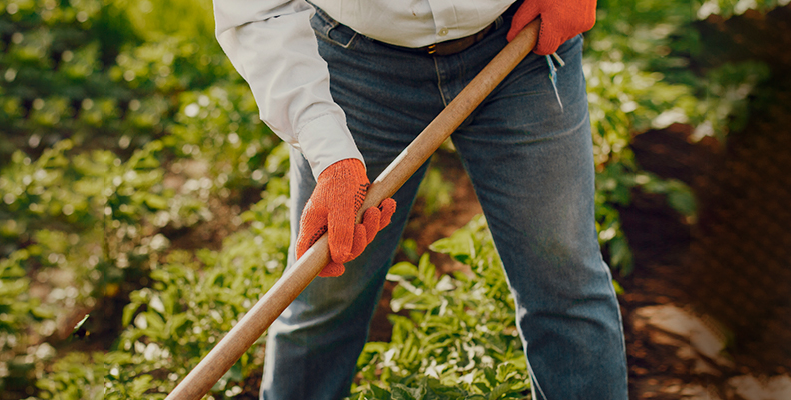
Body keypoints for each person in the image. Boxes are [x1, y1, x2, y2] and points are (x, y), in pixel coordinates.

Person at [212, 0, 628, 398]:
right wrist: (329, 151)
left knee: (564, 288)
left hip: (519, 41)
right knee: (325, 292)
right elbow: (256, 9)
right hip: (356, 64)